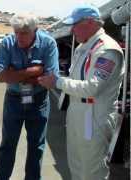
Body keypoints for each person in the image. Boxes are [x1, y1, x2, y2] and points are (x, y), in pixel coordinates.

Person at [37, 5, 124, 180]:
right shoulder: (83, 48)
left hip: (94, 115)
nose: (71, 30)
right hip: (77, 111)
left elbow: (92, 88)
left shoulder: (107, 49)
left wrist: (57, 82)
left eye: (75, 24)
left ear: (91, 23)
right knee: (76, 166)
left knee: (92, 171)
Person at [0, 14, 59, 180]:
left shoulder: (48, 43)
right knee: (8, 145)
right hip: (13, 99)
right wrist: (35, 70)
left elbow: (50, 79)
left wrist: (14, 74)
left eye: (24, 33)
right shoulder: (8, 43)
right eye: (16, 32)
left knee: (36, 147)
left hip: (39, 100)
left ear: (35, 30)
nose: (19, 37)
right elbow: (0, 75)